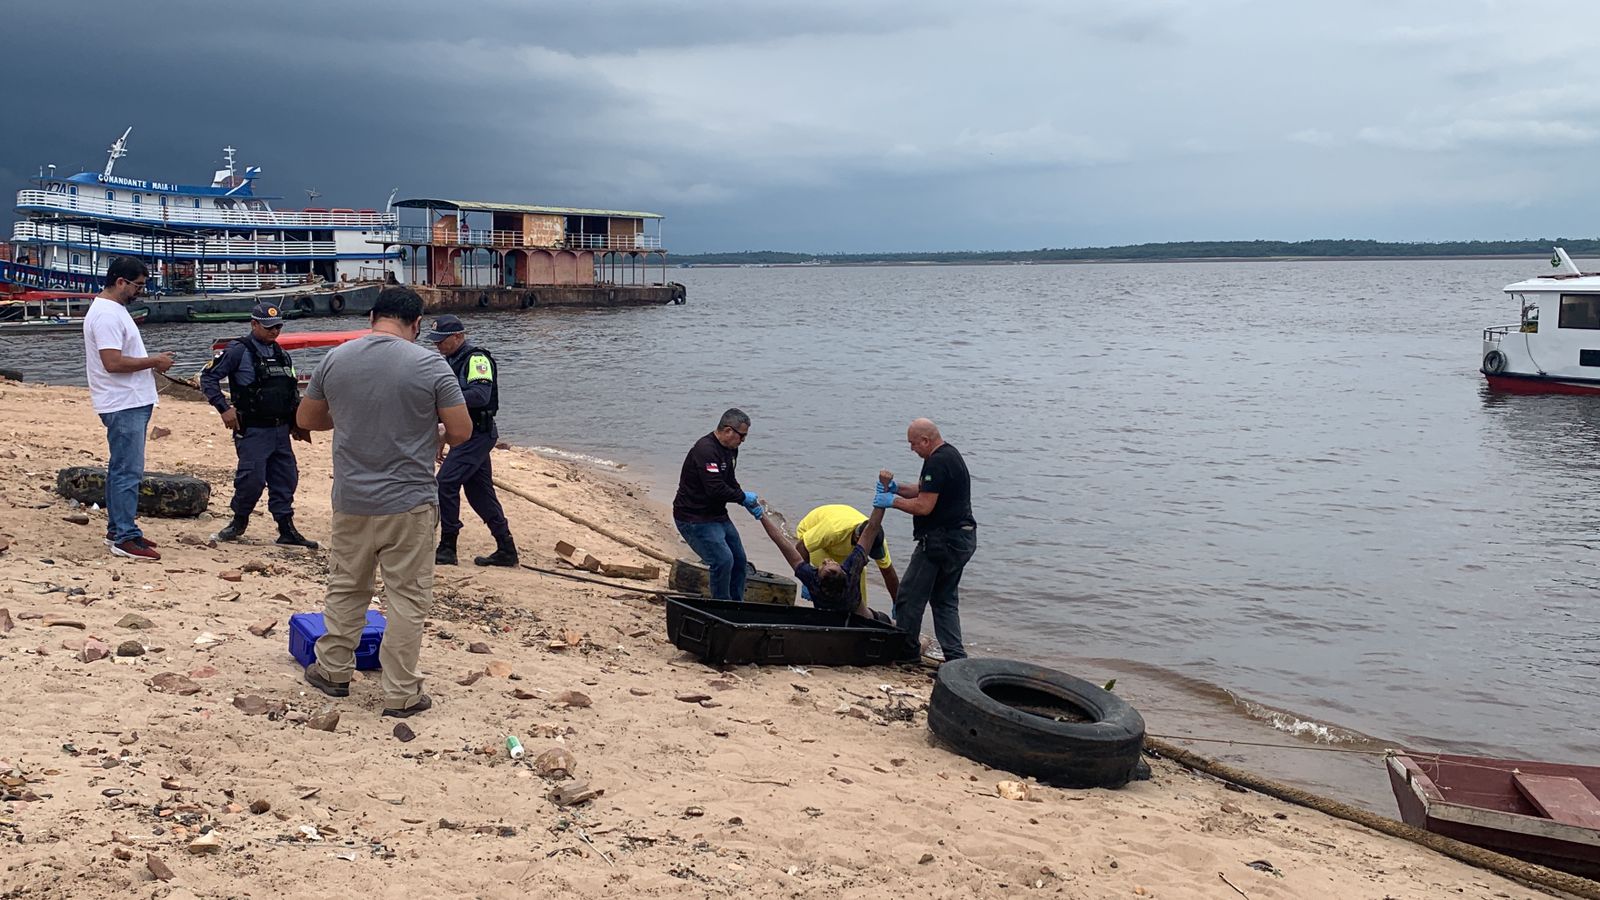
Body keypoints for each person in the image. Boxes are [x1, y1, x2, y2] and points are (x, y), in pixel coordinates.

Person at [295, 287, 472, 718]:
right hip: (408, 501)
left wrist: (353, 416)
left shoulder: (337, 358)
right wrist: (433, 435)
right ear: (416, 324)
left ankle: (334, 670)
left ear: (373, 316)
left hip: (352, 498)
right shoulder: (431, 365)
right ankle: (401, 692)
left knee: (346, 587)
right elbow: (462, 430)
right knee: (407, 599)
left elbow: (307, 420)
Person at [199, 301, 318, 548]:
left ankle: (286, 529)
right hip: (252, 430)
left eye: (278, 327)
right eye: (268, 327)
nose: (274, 332)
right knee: (251, 480)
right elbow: (208, 377)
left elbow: (289, 391)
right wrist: (224, 408)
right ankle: (238, 522)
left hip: (280, 430)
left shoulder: (281, 354)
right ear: (254, 324)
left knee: (286, 479)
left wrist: (298, 423)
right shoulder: (237, 351)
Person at [82, 257, 174, 562]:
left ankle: (118, 529)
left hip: (129, 400)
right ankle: (124, 535)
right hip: (123, 403)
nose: (140, 291)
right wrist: (155, 361)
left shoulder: (113, 310)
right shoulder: (107, 315)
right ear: (120, 282)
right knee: (127, 471)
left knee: (121, 468)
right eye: (138, 285)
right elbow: (113, 363)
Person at [876, 418, 977, 660]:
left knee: (909, 597)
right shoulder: (950, 455)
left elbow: (924, 506)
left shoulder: (937, 462)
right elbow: (923, 490)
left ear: (925, 440)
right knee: (944, 600)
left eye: (913, 444)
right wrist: (896, 488)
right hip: (963, 538)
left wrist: (893, 503)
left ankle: (906, 653)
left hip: (941, 543)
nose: (911, 449)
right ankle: (955, 658)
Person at [424, 315, 517, 567]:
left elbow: (479, 394)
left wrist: (441, 399)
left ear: (459, 337)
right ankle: (506, 548)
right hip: (466, 432)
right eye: (435, 342)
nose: (438, 346)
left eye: (442, 341)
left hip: (477, 434)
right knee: (479, 493)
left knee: (445, 483)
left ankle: (447, 547)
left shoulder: (476, 359)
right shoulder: (450, 360)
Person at [672, 409, 762, 601]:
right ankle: (721, 604)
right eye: (742, 436)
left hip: (717, 514)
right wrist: (741, 497)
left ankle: (736, 604)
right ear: (729, 430)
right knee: (723, 561)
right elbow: (716, 489)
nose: (743, 441)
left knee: (739, 561)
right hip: (693, 517)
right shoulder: (705, 450)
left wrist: (746, 500)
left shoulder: (730, 449)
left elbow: (729, 479)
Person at [750, 496, 891, 617]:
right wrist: (883, 495)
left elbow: (781, 543)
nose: (826, 560)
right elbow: (872, 528)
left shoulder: (813, 580)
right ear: (844, 570)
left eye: (824, 564)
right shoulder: (852, 572)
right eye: (831, 563)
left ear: (816, 575)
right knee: (873, 616)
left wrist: (761, 515)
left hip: (827, 610)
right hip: (816, 533)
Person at [794, 504, 899, 615]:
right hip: (814, 538)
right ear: (858, 539)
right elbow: (801, 547)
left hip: (841, 547)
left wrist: (897, 603)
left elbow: (888, 572)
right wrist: (808, 580)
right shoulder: (834, 530)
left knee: (857, 597)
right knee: (829, 580)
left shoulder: (878, 540)